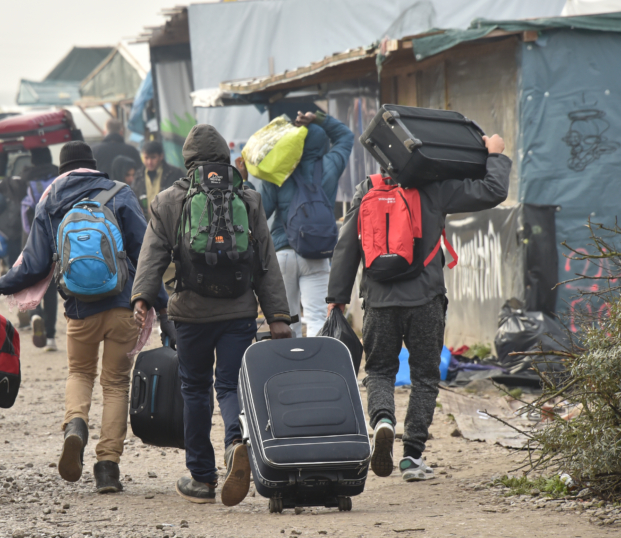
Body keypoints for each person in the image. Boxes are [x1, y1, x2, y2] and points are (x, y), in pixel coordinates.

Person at [0, 141, 169, 494]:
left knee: (80, 373)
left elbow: (33, 264)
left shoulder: (51, 200)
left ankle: (75, 427)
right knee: (116, 384)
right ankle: (107, 468)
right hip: (123, 306)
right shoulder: (121, 194)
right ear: (93, 166)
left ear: (63, 170)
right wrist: (163, 307)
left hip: (80, 309)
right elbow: (147, 256)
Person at [326, 134, 511, 482]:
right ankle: (412, 457)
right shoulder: (435, 189)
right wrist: (495, 155)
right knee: (425, 377)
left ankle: (383, 420)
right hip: (425, 299)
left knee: (379, 371)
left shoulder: (367, 188)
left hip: (379, 302)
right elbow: (492, 191)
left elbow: (347, 247)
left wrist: (337, 297)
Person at [131, 124, 292, 506]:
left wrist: (141, 297)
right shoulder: (248, 197)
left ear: (187, 161)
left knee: (194, 388)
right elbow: (265, 262)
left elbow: (152, 254)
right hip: (238, 310)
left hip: (189, 313)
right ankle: (235, 441)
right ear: (222, 156)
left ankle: (202, 478)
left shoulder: (169, 200)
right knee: (231, 386)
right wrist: (278, 316)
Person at [259, 110, 354, 338]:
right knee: (318, 319)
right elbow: (346, 137)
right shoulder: (329, 166)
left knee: (286, 322)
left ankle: (291, 370)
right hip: (317, 253)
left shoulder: (277, 171)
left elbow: (261, 212)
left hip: (282, 254)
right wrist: (318, 119)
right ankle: (316, 369)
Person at [19, 149, 60, 350]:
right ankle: (51, 337)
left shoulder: (25, 183)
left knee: (33, 284)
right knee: (51, 289)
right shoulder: (59, 181)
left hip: (32, 242)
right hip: (54, 241)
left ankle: (36, 315)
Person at [132, 140, 185, 220]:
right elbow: (133, 196)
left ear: (161, 156)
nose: (149, 162)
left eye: (153, 157)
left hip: (169, 222)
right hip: (145, 224)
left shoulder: (174, 174)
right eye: (146, 158)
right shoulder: (138, 176)